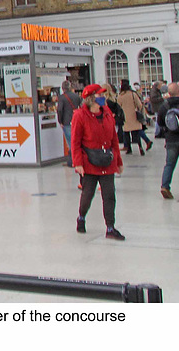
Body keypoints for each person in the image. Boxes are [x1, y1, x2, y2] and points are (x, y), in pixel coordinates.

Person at [71, 84, 125, 241]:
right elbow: (75, 142)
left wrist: (118, 161)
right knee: (88, 194)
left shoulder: (107, 113)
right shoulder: (80, 116)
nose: (103, 98)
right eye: (100, 95)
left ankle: (110, 227)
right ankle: (81, 217)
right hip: (89, 161)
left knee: (109, 195)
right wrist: (78, 163)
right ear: (91, 98)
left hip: (107, 160)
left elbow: (114, 139)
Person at [118, 80, 146, 155]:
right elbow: (139, 105)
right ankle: (140, 147)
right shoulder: (133, 94)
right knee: (136, 132)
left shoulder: (120, 96)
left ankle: (129, 148)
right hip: (134, 115)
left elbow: (118, 106)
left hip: (125, 117)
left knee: (126, 133)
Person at [57, 80, 81, 167]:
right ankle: (77, 160)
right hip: (76, 120)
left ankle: (72, 161)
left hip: (67, 122)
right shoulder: (76, 96)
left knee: (70, 143)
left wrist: (60, 121)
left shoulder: (61, 98)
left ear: (62, 88)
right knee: (77, 141)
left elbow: (60, 110)